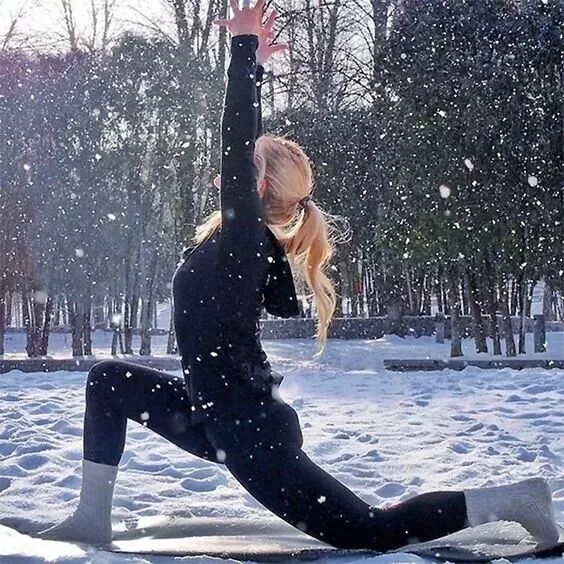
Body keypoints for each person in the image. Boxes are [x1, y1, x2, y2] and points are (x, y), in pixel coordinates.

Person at [36, 0, 559, 551]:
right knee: (109, 381)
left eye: (245, 170)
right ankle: (91, 519)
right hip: (208, 411)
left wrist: (243, 53)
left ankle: (518, 500)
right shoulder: (235, 242)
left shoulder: (243, 242)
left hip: (248, 430)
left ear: (256, 187)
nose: (230, 171)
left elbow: (237, 142)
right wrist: (257, 65)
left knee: (370, 531)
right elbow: (244, 151)